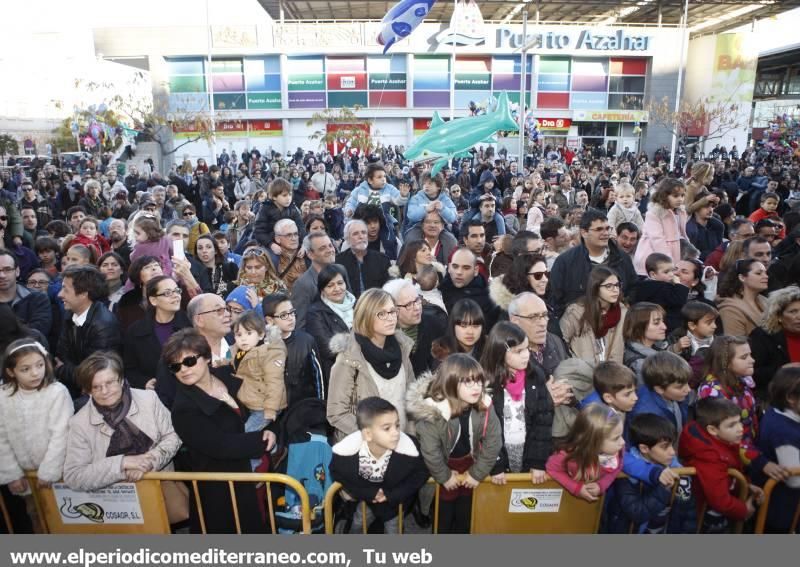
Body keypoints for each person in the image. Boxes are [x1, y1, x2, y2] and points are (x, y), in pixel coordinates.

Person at [165, 329, 273, 533]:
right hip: (220, 490)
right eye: (175, 366)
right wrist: (262, 439)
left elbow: (260, 402)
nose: (183, 370)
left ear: (206, 357)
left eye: (189, 361)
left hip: (254, 478)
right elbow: (220, 445)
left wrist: (269, 427)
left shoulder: (229, 374)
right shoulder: (183, 409)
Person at [62, 352, 185, 522]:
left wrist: (148, 461)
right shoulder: (79, 423)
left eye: (109, 383)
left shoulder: (148, 399)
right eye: (96, 387)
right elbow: (74, 476)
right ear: (87, 390)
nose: (104, 391)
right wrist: (122, 463)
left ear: (120, 378)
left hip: (158, 488)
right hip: (114, 503)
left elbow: (173, 435)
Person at [406, 353, 502, 533]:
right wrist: (444, 476)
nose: (476, 387)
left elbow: (493, 441)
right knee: (443, 518)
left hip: (470, 466)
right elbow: (431, 451)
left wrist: (477, 473)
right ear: (450, 383)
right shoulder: (433, 413)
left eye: (479, 381)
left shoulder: (485, 405)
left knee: (465, 516)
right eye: (468, 382)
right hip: (443, 467)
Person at [0, 339, 72, 529]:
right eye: (25, 369)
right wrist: (11, 474)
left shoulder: (57, 393)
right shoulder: (3, 397)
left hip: (59, 477)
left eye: (40, 365)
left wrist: (49, 471)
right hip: (26, 478)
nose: (35, 372)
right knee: (37, 518)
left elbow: (61, 434)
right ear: (10, 371)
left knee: (66, 521)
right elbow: (1, 438)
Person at [330, 397, 429, 534]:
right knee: (359, 521)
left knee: (393, 528)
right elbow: (338, 472)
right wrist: (368, 493)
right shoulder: (347, 453)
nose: (395, 432)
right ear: (368, 434)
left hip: (394, 504)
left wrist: (392, 495)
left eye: (397, 425)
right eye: (387, 428)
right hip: (367, 499)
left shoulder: (410, 449)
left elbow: (421, 473)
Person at [326, 288, 414, 442]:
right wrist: (374, 435)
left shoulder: (402, 348)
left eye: (392, 311)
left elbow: (411, 398)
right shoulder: (348, 357)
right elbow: (336, 413)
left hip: (401, 441)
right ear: (365, 317)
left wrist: (411, 438)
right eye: (381, 314)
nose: (390, 318)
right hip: (364, 448)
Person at [481, 322, 554, 484]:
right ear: (499, 353)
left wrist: (537, 462)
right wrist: (495, 463)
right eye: (518, 351)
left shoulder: (536, 376)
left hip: (528, 454)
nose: (526, 355)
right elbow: (483, 430)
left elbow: (543, 423)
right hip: (499, 460)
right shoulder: (485, 384)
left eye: (527, 348)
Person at [678, 397, 765, 533]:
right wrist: (744, 510)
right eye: (731, 425)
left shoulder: (719, 439)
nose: (740, 429)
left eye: (739, 422)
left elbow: (730, 471)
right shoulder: (710, 457)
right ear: (713, 430)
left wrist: (745, 485)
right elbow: (720, 501)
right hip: (706, 515)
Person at [604, 414, 697, 534]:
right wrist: (664, 488)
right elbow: (637, 512)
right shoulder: (626, 475)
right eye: (665, 447)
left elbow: (688, 511)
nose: (673, 452)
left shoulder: (677, 470)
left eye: (672, 445)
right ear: (644, 448)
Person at [548, 208, 636, 318]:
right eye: (599, 229)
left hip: (617, 323)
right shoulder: (565, 261)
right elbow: (556, 298)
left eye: (607, 228)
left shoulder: (622, 258)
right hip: (579, 325)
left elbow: (633, 288)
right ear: (584, 232)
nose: (605, 233)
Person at [56, 265, 122, 399]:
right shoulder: (69, 314)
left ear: (84, 294)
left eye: (65, 290)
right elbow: (61, 355)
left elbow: (94, 373)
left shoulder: (104, 325)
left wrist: (61, 369)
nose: (59, 294)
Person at [231, 311, 286, 469]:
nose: (243, 338)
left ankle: (254, 467)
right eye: (238, 334)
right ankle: (275, 450)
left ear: (261, 335)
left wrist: (270, 409)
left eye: (249, 333)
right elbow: (236, 366)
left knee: (246, 435)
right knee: (252, 433)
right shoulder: (241, 352)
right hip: (254, 402)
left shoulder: (268, 353)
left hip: (265, 406)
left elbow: (275, 381)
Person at [123, 275, 192, 391]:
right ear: (153, 300)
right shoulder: (136, 331)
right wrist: (144, 382)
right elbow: (129, 368)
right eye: (168, 293)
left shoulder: (190, 325)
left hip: (188, 393)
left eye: (177, 291)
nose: (176, 296)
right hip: (155, 396)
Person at [545, 403, 625, 502]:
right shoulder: (568, 455)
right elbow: (552, 468)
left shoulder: (618, 450)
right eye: (616, 438)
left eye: (621, 435)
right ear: (594, 440)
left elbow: (618, 466)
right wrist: (576, 488)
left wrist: (601, 485)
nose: (623, 442)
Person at [755, 365, 800, 532]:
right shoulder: (782, 432)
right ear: (791, 397)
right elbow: (795, 479)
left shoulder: (776, 411)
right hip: (782, 513)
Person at [262, 293, 325, 405]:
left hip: (303, 407)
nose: (291, 318)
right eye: (284, 315)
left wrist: (320, 405)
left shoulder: (306, 341)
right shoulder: (262, 345)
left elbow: (318, 378)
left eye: (292, 312)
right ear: (270, 320)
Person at [560, 266, 627, 365]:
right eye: (609, 286)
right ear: (595, 287)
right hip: (583, 374)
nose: (615, 290)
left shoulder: (622, 311)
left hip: (612, 374)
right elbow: (561, 343)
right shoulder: (576, 312)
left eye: (617, 285)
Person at [383, 278, 445, 377]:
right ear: (393, 309)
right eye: (408, 305)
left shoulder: (435, 324)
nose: (417, 307)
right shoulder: (383, 334)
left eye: (417, 300)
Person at [306, 264, 355, 387]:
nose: (337, 288)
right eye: (330, 285)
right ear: (322, 289)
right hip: (337, 374)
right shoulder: (315, 313)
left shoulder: (359, 304)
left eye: (340, 283)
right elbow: (327, 348)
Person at [749, 286, 800, 396]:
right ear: (779, 316)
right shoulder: (762, 336)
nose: (799, 316)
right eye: (793, 312)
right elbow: (752, 374)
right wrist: (782, 370)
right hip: (778, 398)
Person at [633, 179, 689, 275]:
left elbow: (682, 234)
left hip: (673, 252)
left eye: (682, 195)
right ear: (664, 196)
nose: (680, 199)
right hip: (653, 255)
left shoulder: (680, 212)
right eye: (675, 196)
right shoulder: (655, 213)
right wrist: (668, 263)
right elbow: (657, 240)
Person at [508, 293, 569, 378]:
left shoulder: (556, 341)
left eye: (544, 315)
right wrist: (544, 391)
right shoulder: (506, 355)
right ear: (515, 321)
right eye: (533, 317)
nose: (543, 323)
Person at [630, 352, 692, 435]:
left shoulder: (677, 394)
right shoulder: (647, 417)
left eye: (687, 383)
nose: (688, 389)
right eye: (679, 387)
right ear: (659, 389)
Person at [629, 253, 690, 334]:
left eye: (673, 270)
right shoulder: (662, 287)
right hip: (665, 327)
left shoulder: (641, 286)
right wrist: (679, 285)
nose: (672, 274)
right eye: (666, 272)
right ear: (653, 274)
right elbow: (679, 300)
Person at [439, 248, 498, 327]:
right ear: (449, 268)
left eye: (466, 268)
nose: (459, 272)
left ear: (476, 270)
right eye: (455, 266)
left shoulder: (487, 300)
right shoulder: (439, 289)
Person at [0, 250, 52, 339]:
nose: (2, 275)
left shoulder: (38, 298)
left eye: (7, 269)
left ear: (17, 271)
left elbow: (38, 333)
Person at [292, 232, 337, 329]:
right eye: (322, 248)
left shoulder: (340, 272)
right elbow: (300, 324)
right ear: (310, 255)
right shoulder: (303, 284)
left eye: (330, 245)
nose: (330, 250)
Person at [622, 302, 676, 384]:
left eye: (662, 321)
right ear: (639, 326)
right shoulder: (640, 365)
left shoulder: (656, 347)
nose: (664, 327)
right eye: (656, 323)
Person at [335, 220, 390, 298]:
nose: (361, 237)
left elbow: (389, 289)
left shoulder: (382, 260)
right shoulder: (338, 262)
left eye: (363, 232)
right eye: (355, 234)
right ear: (347, 239)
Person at [716, 258, 768, 337]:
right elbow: (735, 344)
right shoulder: (729, 309)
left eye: (766, 273)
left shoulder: (766, 301)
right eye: (758, 273)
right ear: (742, 277)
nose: (766, 276)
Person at [253, 178, 305, 251]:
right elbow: (258, 231)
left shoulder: (293, 208)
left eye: (290, 195)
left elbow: (301, 228)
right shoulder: (265, 209)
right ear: (274, 197)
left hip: (291, 245)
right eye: (284, 195)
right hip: (270, 246)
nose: (288, 198)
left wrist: (303, 244)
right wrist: (271, 244)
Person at [268, 218, 308, 292]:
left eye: (296, 234)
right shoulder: (271, 259)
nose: (294, 238)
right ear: (277, 239)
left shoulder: (307, 255)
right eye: (289, 235)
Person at [129, 213, 173, 280]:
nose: (135, 235)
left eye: (138, 233)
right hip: (167, 272)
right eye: (134, 232)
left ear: (149, 233)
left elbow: (133, 258)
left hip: (149, 276)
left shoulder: (140, 247)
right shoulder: (165, 239)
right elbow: (171, 252)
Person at [686, 190, 725, 261]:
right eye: (706, 206)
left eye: (712, 206)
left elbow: (719, 250)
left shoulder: (718, 225)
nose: (711, 210)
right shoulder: (689, 228)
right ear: (696, 207)